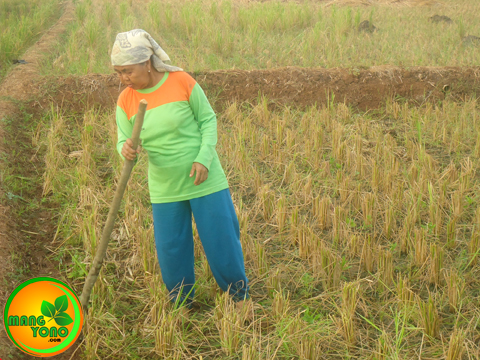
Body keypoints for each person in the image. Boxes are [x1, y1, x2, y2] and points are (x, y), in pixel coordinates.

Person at [111, 29, 250, 310]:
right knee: (171, 249)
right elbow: (122, 140)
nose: (123, 79)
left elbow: (208, 120)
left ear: (146, 63)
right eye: (118, 72)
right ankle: (182, 303)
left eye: (127, 71)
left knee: (221, 240)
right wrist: (125, 149)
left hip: (204, 179)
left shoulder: (181, 81)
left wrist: (203, 158)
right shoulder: (126, 100)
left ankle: (239, 298)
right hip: (165, 186)